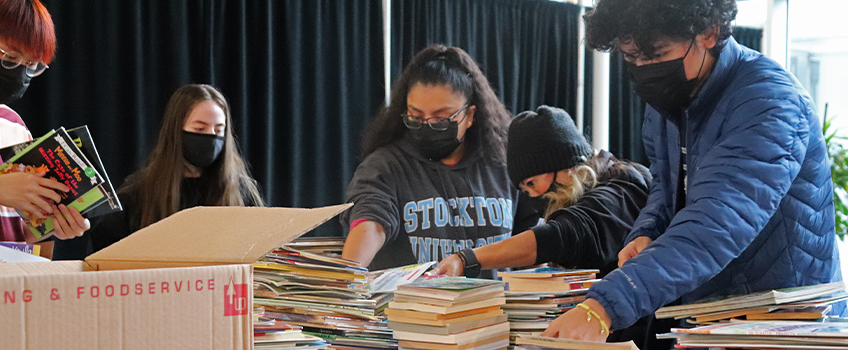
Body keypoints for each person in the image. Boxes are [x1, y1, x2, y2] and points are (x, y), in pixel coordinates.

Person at [542, 0, 845, 343]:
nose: (643, 67)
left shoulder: (769, 101)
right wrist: (648, 230)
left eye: (655, 54)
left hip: (786, 321)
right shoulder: (672, 99)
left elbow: (717, 221)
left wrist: (606, 305)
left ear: (709, 32)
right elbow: (666, 184)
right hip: (717, 313)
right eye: (631, 57)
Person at [339, 45, 539, 275]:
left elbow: (532, 243)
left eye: (441, 119)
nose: (427, 126)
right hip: (412, 309)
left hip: (494, 309)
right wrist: (346, 278)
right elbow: (371, 223)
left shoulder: (503, 163)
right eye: (416, 116)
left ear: (470, 115)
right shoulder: (385, 166)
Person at [430, 105, 651, 278]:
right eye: (524, 190)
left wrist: (468, 258)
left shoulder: (622, 187)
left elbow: (566, 234)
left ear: (566, 167)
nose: (532, 197)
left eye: (532, 184)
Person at [54, 84, 264, 258]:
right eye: (199, 129)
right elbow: (102, 260)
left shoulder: (242, 192)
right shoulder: (136, 196)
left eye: (219, 130)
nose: (211, 137)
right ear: (175, 131)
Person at [0, 0, 89, 243]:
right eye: (10, 58)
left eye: (30, 65)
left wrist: (54, 224)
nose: (19, 72)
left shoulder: (14, 125)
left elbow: (18, 231)